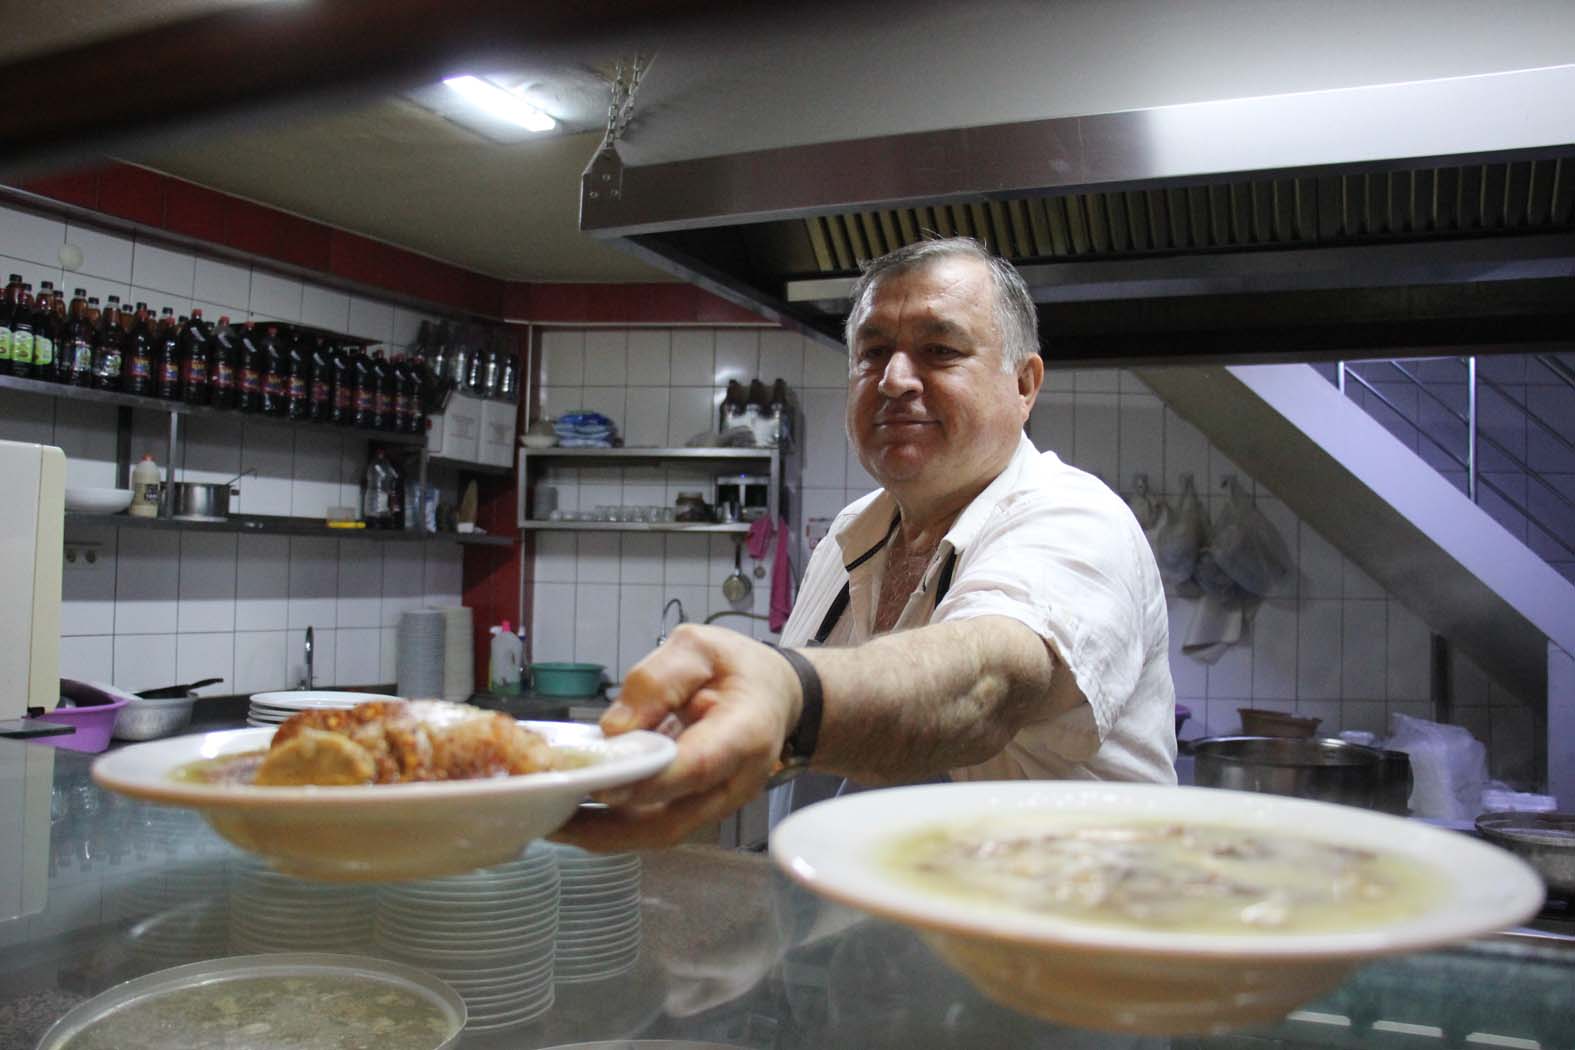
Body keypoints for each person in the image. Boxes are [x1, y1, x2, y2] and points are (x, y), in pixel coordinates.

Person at [558, 237, 1175, 852]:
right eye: (872, 351)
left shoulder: (1076, 516)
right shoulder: (850, 535)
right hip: (853, 932)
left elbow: (987, 684)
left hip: (1050, 939)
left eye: (939, 350)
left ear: (1024, 384)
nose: (894, 379)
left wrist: (789, 694)